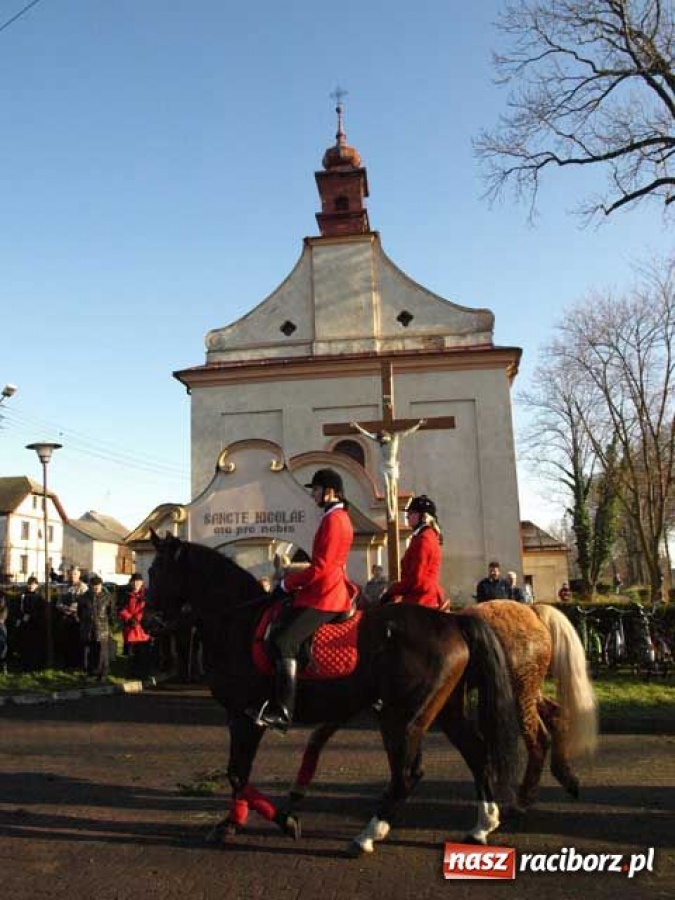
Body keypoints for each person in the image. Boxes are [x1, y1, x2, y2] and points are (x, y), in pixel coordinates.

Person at [255, 468, 358, 732]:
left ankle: (283, 711)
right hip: (322, 590)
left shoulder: (334, 521)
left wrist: (287, 583)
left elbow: (321, 567)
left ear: (330, 491)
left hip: (326, 595)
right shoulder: (336, 517)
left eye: (316, 490)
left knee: (283, 640)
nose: (313, 495)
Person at [380, 495, 447, 609]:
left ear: (423, 516)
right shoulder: (423, 536)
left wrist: (392, 590)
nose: (407, 517)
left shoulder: (424, 540)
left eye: (411, 513)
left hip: (422, 599)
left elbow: (416, 579)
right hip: (419, 595)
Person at [350, 419, 426, 520]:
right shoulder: (379, 440)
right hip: (384, 467)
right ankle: (389, 511)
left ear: (387, 435)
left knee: (393, 490)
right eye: (381, 440)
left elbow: (408, 432)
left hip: (393, 466)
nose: (382, 441)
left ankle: (394, 510)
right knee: (386, 488)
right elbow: (367, 434)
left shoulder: (396, 438)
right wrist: (357, 427)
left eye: (384, 439)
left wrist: (418, 424)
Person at [78, 575, 114, 680]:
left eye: (98, 585)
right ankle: (91, 672)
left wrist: (108, 624)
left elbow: (111, 613)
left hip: (102, 628)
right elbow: (80, 612)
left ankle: (103, 672)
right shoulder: (84, 597)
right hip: (88, 627)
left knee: (102, 652)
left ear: (101, 585)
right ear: (90, 586)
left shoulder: (107, 597)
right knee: (89, 651)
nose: (96, 587)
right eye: (94, 585)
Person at [118, 573, 152, 680]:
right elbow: (120, 607)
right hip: (130, 627)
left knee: (143, 652)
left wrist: (138, 618)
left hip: (142, 627)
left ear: (142, 583)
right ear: (131, 582)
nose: (137, 584)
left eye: (139, 581)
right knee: (131, 652)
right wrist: (129, 618)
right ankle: (132, 673)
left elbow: (147, 608)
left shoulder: (146, 594)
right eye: (135, 581)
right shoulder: (125, 593)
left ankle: (143, 673)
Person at [56, 566, 87, 669]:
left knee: (77, 642)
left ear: (79, 575)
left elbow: (84, 603)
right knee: (66, 641)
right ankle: (67, 663)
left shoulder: (83, 587)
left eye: (75, 574)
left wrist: (72, 608)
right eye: (71, 574)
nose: (72, 576)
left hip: (77, 618)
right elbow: (59, 602)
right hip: (66, 617)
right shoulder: (65, 587)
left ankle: (77, 664)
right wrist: (64, 608)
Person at [15, 576, 47, 671]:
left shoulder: (40, 596)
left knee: (36, 645)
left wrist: (33, 616)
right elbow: (20, 609)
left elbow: (42, 610)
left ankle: (36, 666)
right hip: (26, 624)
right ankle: (27, 665)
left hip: (37, 624)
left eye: (33, 584)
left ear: (36, 585)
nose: (30, 586)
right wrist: (21, 618)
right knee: (26, 645)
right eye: (29, 584)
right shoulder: (23, 595)